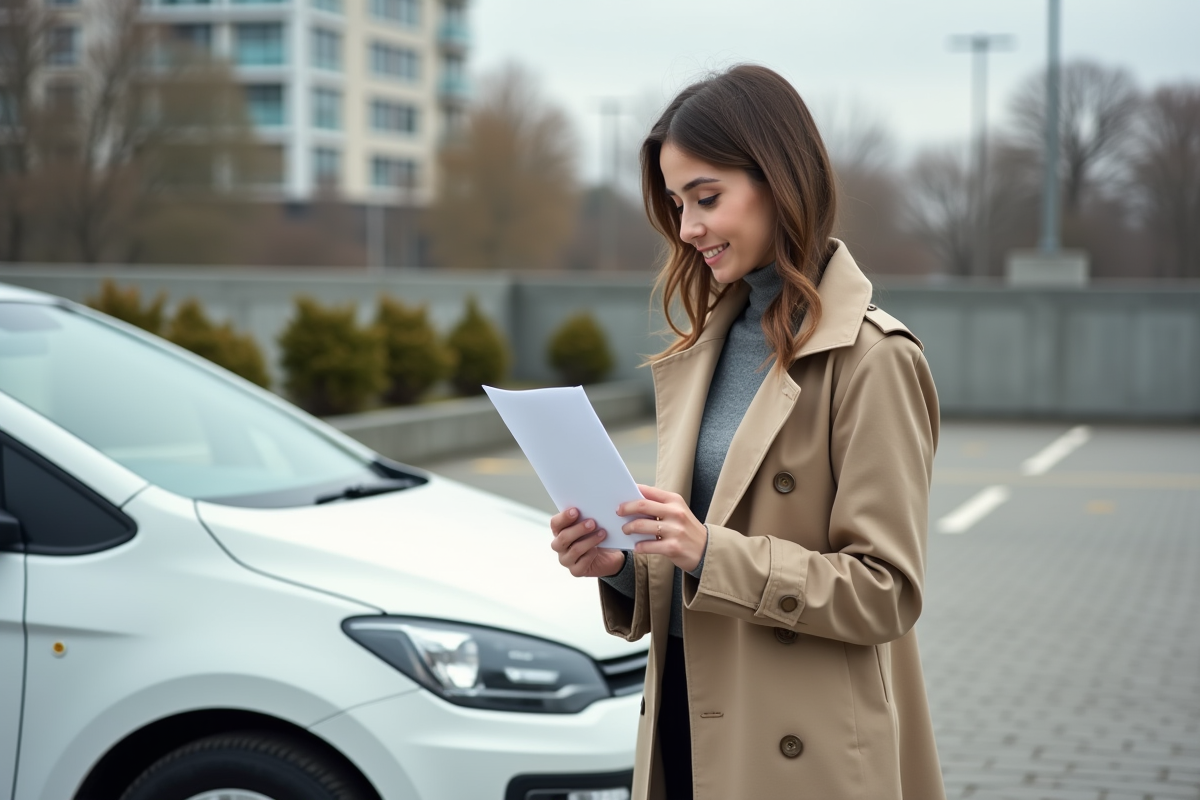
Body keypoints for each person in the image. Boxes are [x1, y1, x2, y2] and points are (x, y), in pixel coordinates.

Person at [549, 64, 944, 800]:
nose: (687, 228)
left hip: (799, 747)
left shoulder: (873, 358)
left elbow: (885, 592)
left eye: (707, 198)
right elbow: (699, 562)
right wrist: (621, 567)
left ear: (780, 180)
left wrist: (709, 550)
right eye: (676, 204)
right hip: (689, 714)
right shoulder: (705, 347)